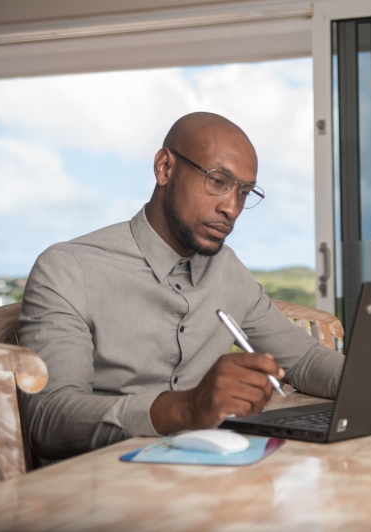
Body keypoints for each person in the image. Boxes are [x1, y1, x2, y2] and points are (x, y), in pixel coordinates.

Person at [19, 112, 345, 461]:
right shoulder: (69, 270)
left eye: (244, 192)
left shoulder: (227, 270)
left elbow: (305, 360)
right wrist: (185, 409)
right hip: (99, 487)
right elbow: (48, 419)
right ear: (164, 167)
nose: (232, 208)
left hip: (211, 474)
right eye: (218, 181)